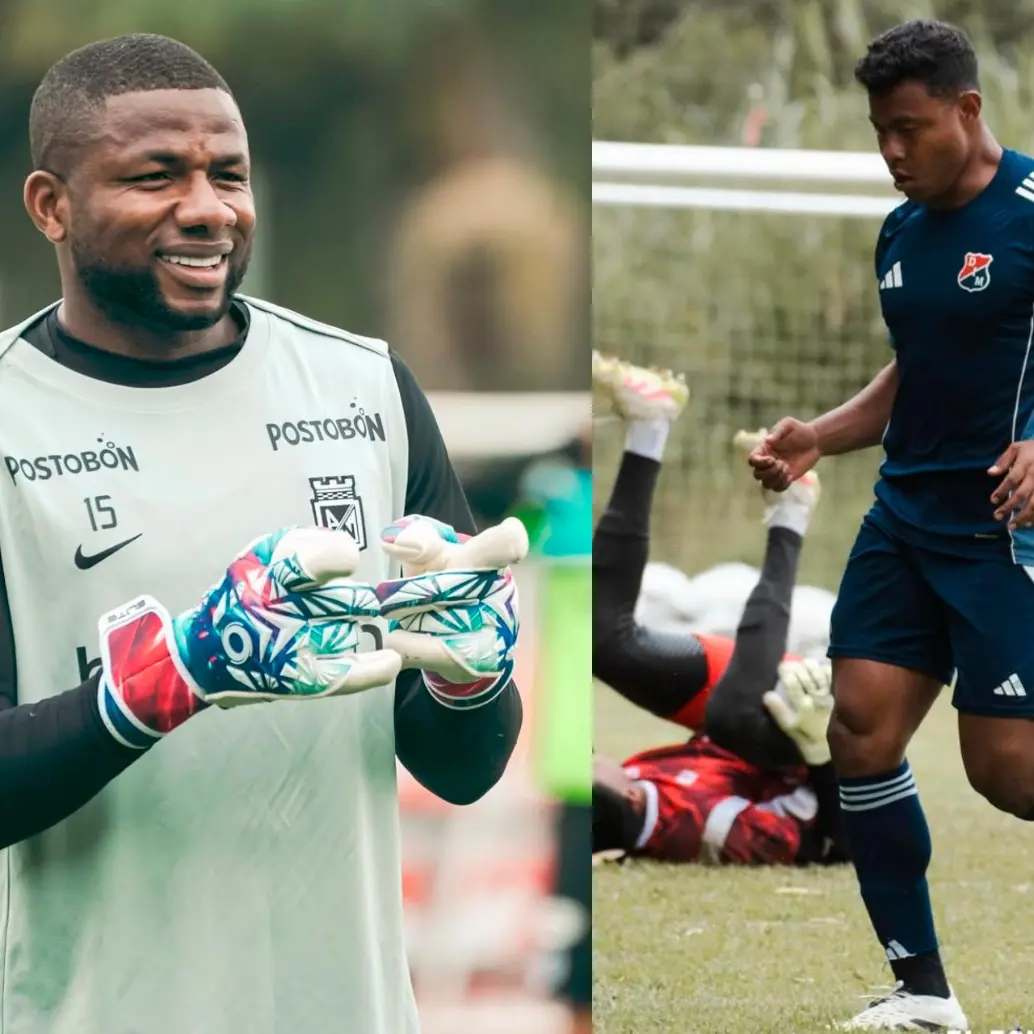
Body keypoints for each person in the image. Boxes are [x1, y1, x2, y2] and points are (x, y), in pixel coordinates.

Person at [0, 34, 524, 1034]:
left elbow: (463, 772)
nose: (209, 208)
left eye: (228, 175)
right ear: (50, 205)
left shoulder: (367, 390)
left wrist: (471, 681)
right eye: (155, 176)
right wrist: (168, 682)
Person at [748, 19, 1034, 1030]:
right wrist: (818, 437)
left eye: (909, 128)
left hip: (1002, 536)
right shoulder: (900, 231)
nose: (891, 150)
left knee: (1006, 772)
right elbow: (919, 368)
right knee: (859, 729)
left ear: (967, 109)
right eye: (879, 130)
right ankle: (923, 994)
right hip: (904, 521)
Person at [591, 354, 846, 865]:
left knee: (601, 643)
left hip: (747, 707)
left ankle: (649, 424)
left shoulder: (635, 793)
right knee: (733, 717)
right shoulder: (710, 826)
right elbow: (834, 845)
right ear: (630, 797)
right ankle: (791, 515)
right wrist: (822, 753)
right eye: (588, 764)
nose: (589, 753)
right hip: (813, 729)